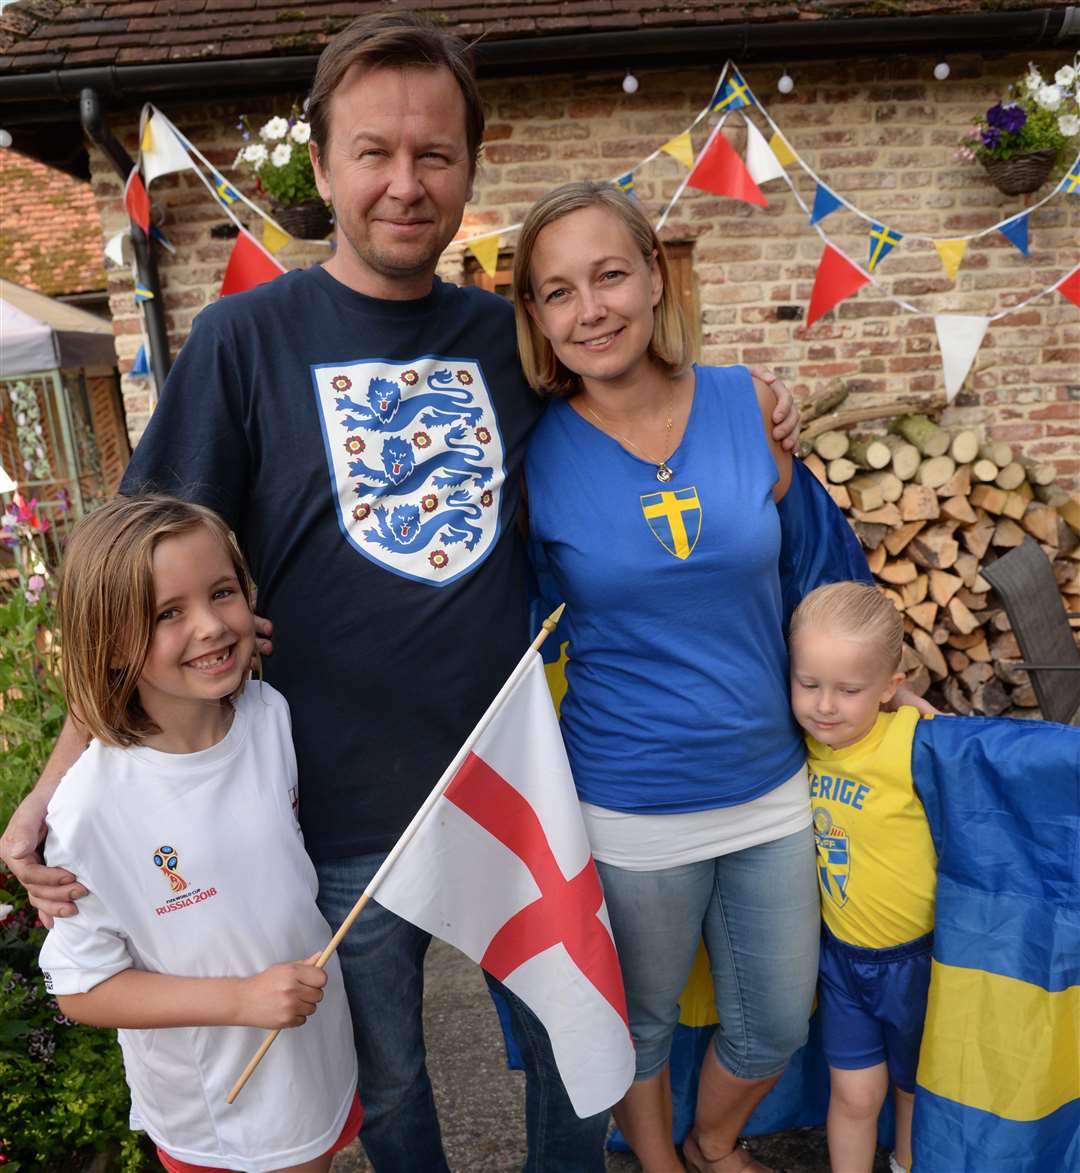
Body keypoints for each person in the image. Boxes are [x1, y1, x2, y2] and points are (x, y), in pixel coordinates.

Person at [0, 14, 799, 1172]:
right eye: (374, 152)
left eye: (435, 154)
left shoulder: (511, 340)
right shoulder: (237, 339)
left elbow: (634, 395)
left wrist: (741, 399)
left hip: (510, 786)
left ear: (471, 166)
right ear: (321, 166)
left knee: (572, 1048)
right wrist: (52, 783)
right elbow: (130, 583)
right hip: (325, 812)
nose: (405, 182)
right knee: (392, 1089)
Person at [515, 181, 928, 1173]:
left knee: (779, 1012)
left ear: (656, 277)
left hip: (771, 786)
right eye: (558, 292)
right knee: (643, 1016)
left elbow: (821, 569)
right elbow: (509, 625)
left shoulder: (749, 405)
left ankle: (713, 1137)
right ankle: (661, 1165)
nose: (592, 309)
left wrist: (877, 682)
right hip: (627, 800)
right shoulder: (529, 456)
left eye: (611, 274)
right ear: (535, 317)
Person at [38, 495, 361, 1173]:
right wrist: (240, 1000)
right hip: (217, 1108)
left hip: (310, 1058)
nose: (213, 626)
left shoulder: (269, 713)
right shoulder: (92, 805)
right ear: (111, 639)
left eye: (222, 592)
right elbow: (81, 986)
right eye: (167, 613)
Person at [788, 582, 935, 1173]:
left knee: (912, 1088)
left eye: (849, 691)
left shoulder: (916, 741)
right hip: (842, 960)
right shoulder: (793, 743)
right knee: (854, 1094)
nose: (826, 705)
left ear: (889, 688)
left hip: (918, 960)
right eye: (809, 684)